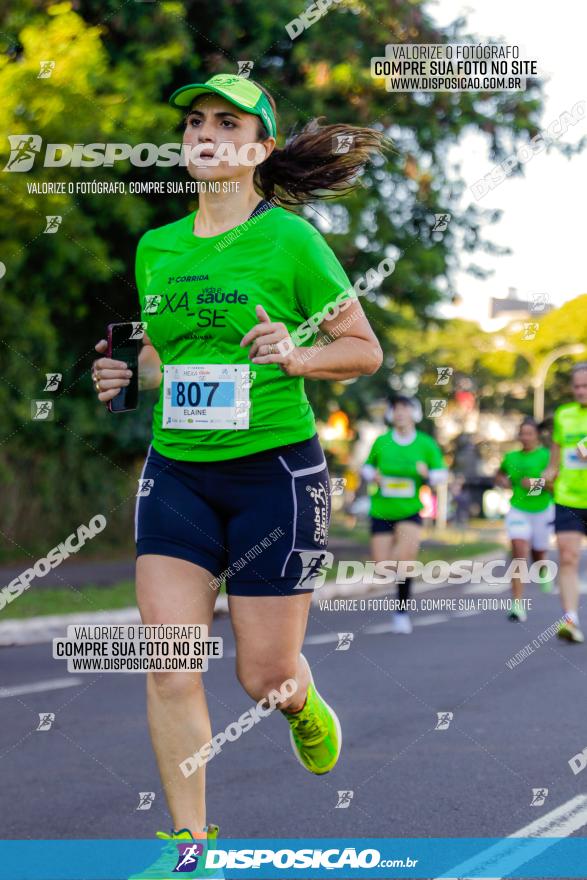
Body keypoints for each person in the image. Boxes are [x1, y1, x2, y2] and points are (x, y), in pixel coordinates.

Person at [91, 73, 384, 878]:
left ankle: (300, 698)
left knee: (261, 674)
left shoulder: (290, 240)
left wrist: (295, 354)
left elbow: (363, 349)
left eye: (227, 123)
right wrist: (129, 380)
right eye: (194, 122)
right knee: (169, 659)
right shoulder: (158, 246)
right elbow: (161, 358)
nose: (205, 133)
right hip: (178, 474)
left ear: (257, 150)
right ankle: (191, 845)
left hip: (275, 477)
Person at [361, 396, 447, 634]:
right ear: (390, 415)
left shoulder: (425, 444)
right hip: (382, 510)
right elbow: (366, 467)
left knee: (404, 560)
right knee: (383, 565)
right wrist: (372, 476)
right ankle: (398, 598)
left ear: (414, 414)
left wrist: (427, 474)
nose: (400, 414)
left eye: (405, 409)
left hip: (410, 511)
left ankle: (401, 612)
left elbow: (441, 474)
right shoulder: (382, 442)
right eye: (395, 410)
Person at [543, 363, 587, 643]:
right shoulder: (564, 415)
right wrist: (549, 473)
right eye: (577, 386)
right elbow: (556, 457)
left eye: (586, 386)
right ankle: (570, 620)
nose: (581, 391)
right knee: (568, 557)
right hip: (568, 497)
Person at [495, 417, 554, 622]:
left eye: (530, 433)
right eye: (522, 433)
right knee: (519, 552)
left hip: (542, 510)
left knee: (538, 551)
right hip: (518, 510)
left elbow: (555, 485)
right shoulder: (511, 457)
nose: (525, 437)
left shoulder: (547, 456)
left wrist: (535, 483)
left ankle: (543, 568)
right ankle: (517, 605)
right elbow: (500, 474)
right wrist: (501, 480)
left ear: (537, 435)